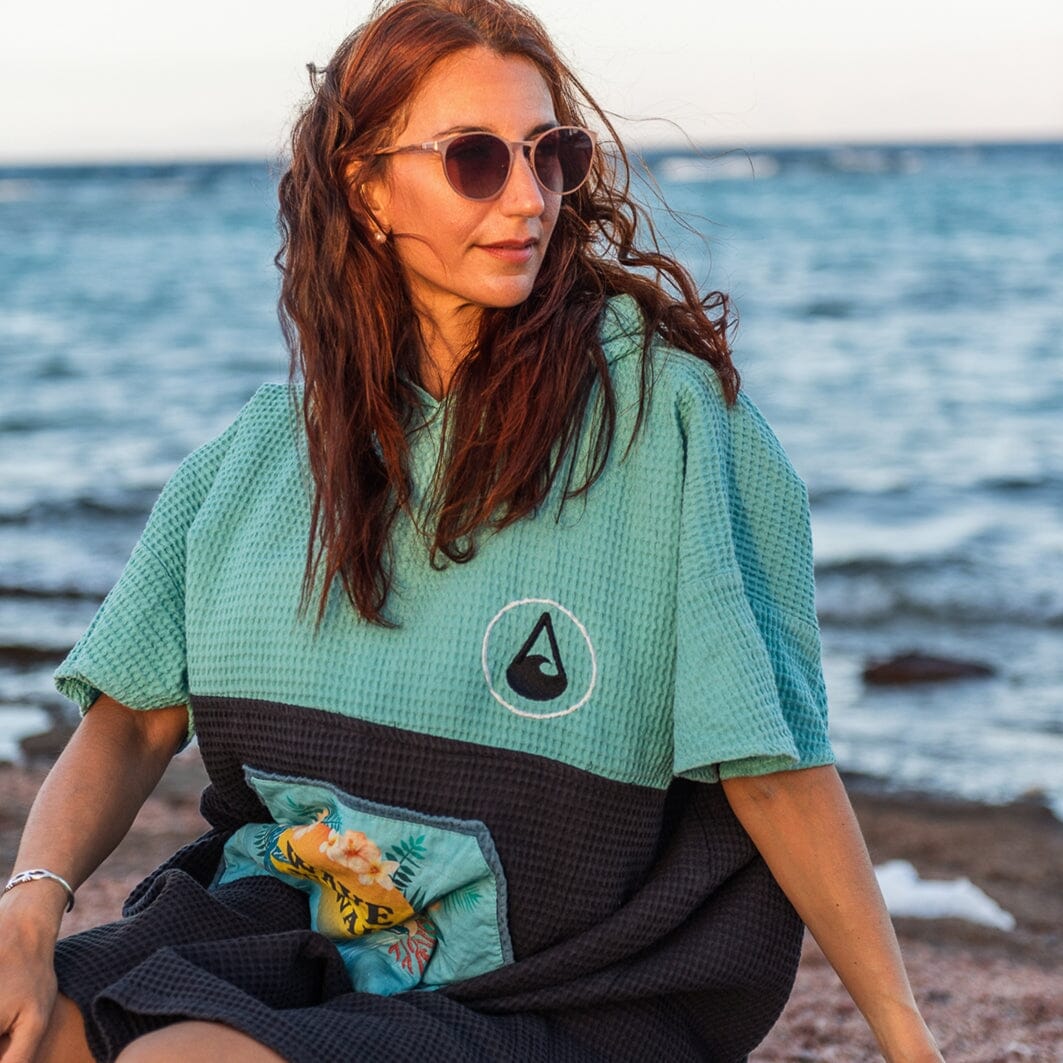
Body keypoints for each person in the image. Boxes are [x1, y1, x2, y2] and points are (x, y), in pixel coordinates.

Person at [0, 1, 943, 1060]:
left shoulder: (664, 420)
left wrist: (905, 1035)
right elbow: (131, 723)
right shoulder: (262, 457)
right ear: (367, 188)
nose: (529, 197)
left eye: (551, 154)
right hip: (287, 928)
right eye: (477, 159)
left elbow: (771, 763)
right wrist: (29, 910)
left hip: (548, 989)